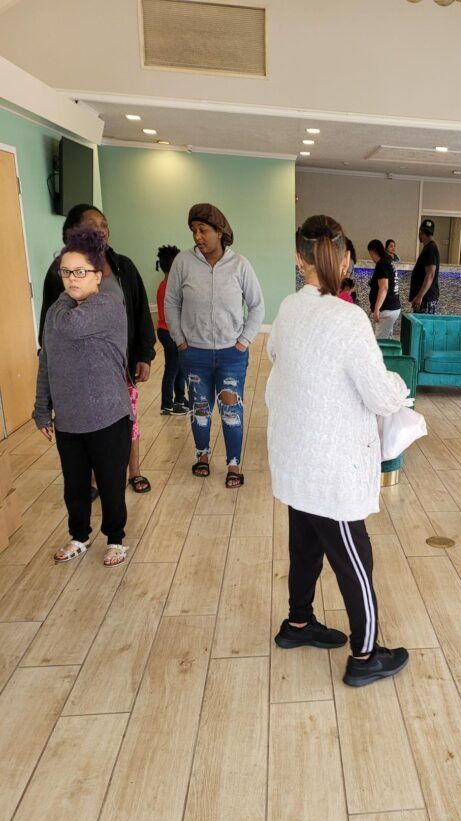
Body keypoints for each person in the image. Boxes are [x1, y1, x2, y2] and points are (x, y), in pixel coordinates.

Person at [266, 213, 410, 687]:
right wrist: (399, 386)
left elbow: (275, 356)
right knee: (354, 557)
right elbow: (381, 395)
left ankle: (298, 624)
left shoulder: (289, 307)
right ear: (347, 259)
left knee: (305, 545)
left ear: (298, 258)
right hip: (330, 464)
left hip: (296, 454)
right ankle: (366, 655)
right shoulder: (348, 319)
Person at [40, 204, 155, 495]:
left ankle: (133, 472)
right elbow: (49, 324)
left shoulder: (123, 266)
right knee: (88, 427)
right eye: (93, 225)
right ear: (74, 233)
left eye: (104, 224)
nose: (102, 230)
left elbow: (140, 310)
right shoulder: (58, 274)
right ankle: (92, 481)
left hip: (118, 365)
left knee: (125, 420)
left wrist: (144, 354)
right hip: (77, 372)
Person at [34, 228, 133, 566]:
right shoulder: (57, 311)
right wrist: (42, 408)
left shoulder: (107, 306)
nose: (71, 279)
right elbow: (46, 360)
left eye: (80, 272)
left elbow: (71, 326)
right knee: (74, 487)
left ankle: (116, 539)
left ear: (98, 275)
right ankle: (79, 536)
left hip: (108, 417)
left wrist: (60, 302)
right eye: (65, 272)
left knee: (111, 483)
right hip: (69, 419)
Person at [164, 203, 264, 488]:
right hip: (194, 353)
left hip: (232, 354)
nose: (198, 236)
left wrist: (243, 342)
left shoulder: (240, 265)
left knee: (231, 411)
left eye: (203, 230)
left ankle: (233, 463)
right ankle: (202, 456)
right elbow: (171, 303)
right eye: (194, 230)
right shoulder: (183, 263)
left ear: (220, 232)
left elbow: (257, 306)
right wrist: (180, 340)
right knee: (200, 407)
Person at [155, 244, 186, 415]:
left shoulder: (167, 284)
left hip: (169, 332)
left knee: (179, 367)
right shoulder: (169, 286)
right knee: (173, 368)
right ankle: (167, 404)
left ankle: (180, 399)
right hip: (168, 332)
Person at [367, 238, 401, 339]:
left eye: (370, 254)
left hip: (387, 309)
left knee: (380, 342)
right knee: (387, 340)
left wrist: (376, 309)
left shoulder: (381, 263)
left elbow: (384, 288)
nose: (371, 258)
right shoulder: (389, 261)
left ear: (373, 252)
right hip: (393, 307)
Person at [409, 219, 440, 314]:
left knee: (422, 323)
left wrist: (419, 296)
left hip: (426, 300)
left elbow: (430, 275)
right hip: (425, 298)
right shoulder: (429, 247)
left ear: (421, 231)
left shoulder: (430, 248)